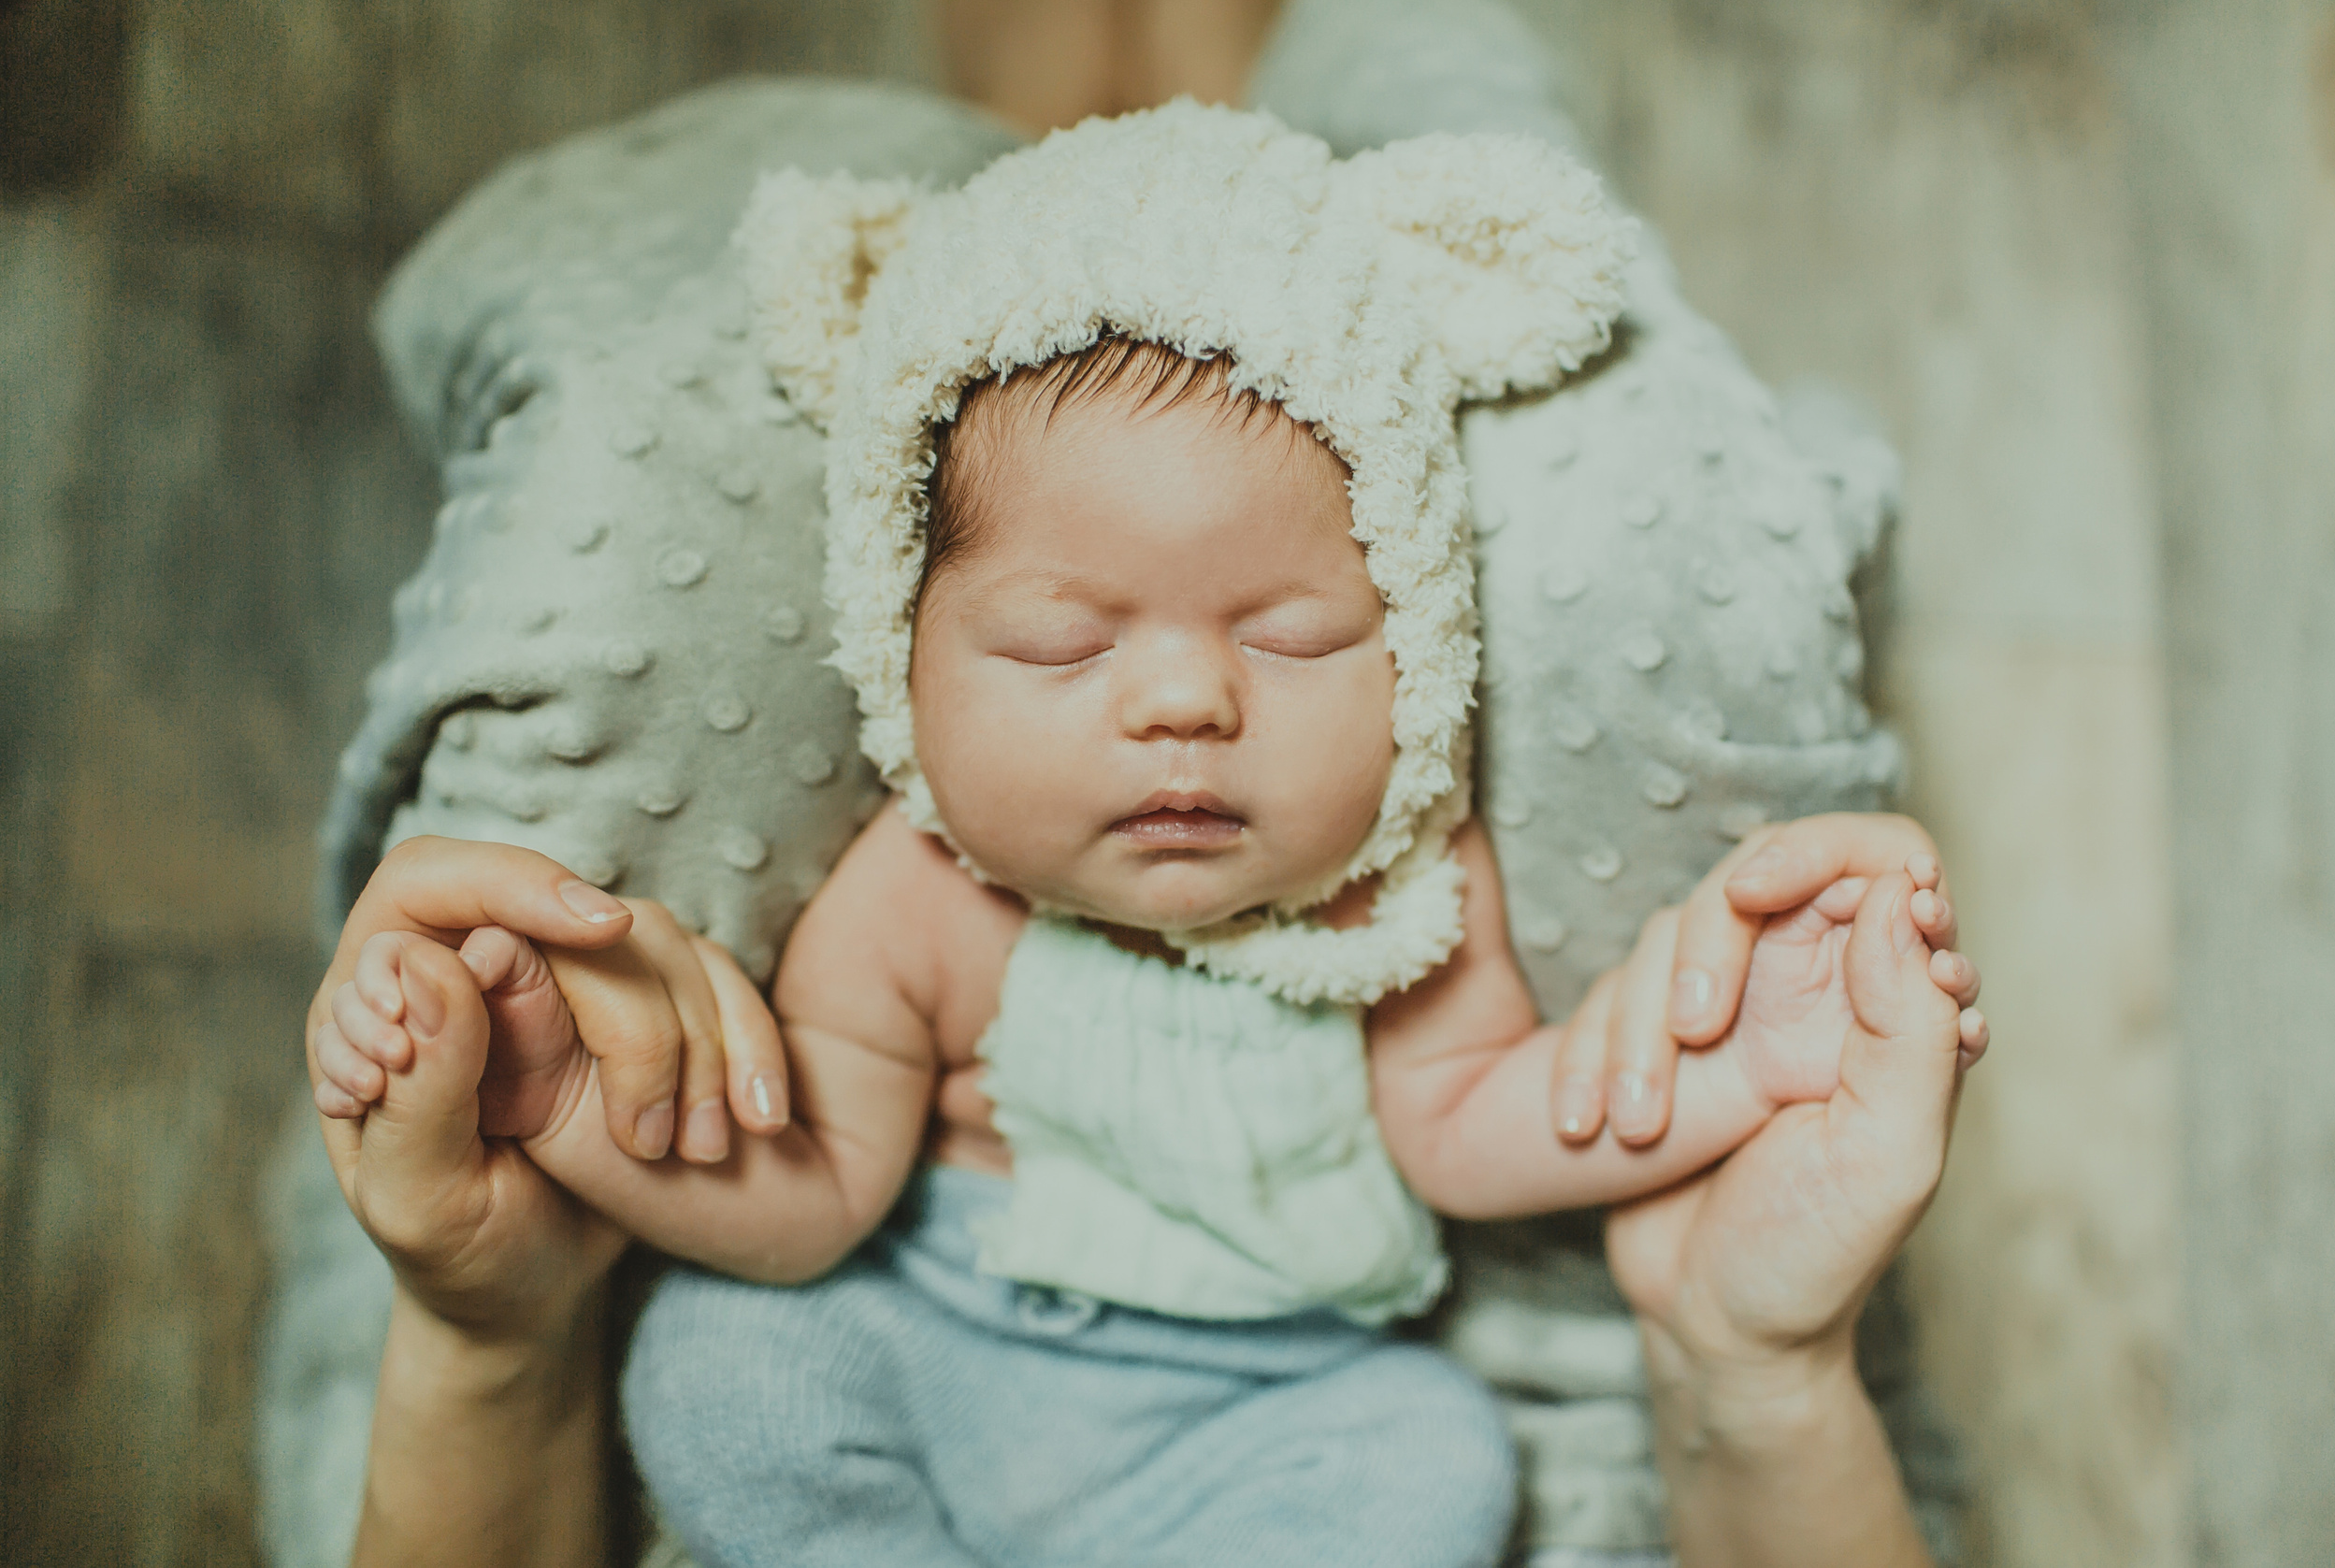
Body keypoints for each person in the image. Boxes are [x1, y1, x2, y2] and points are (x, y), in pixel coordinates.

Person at [310, 106, 1985, 1567]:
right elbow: (811, 1188)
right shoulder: (920, 898)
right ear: (899, 663)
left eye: (1293, 637)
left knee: (1440, 1466)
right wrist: (582, 1112)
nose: (1185, 701)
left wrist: (1726, 1074)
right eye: (1062, 645)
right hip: (937, 1338)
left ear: (1421, 648)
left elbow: (1475, 1125)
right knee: (729, 1366)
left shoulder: (1403, 900)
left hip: (1276, 1401)